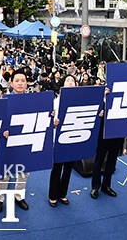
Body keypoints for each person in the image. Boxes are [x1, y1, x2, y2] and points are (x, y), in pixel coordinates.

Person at [0, 68, 30, 212]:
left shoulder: (33, 101)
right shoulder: (4, 100)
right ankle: (0, 198)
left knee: (24, 172)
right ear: (11, 83)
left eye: (23, 81)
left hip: (26, 141)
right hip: (7, 142)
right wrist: (3, 131)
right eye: (17, 81)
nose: (20, 83)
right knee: (5, 172)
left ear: (27, 83)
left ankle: (19, 196)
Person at [48, 74, 79, 207]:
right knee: (57, 168)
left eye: (72, 81)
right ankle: (53, 195)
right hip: (59, 138)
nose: (70, 82)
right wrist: (53, 122)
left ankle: (62, 194)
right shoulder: (56, 101)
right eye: (67, 80)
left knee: (68, 168)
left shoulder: (80, 100)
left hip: (74, 138)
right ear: (63, 85)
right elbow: (50, 120)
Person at [91, 88, 123, 199]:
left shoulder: (121, 97)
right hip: (102, 134)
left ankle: (106, 186)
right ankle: (95, 187)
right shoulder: (100, 98)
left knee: (112, 160)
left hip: (117, 132)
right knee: (99, 160)